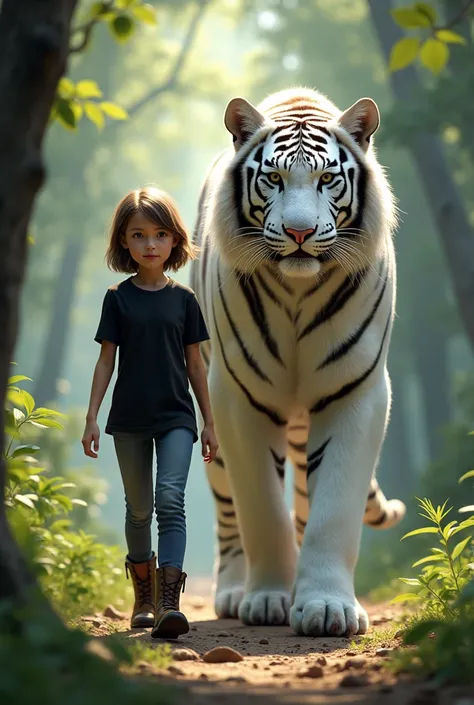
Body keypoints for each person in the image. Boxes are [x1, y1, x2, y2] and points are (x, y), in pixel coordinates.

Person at [81, 186, 218, 639]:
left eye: (160, 234)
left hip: (177, 416)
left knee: (170, 500)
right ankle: (142, 595)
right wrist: (91, 417)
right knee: (139, 510)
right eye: (139, 235)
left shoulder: (185, 301)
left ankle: (167, 604)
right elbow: (106, 362)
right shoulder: (117, 299)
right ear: (124, 241)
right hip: (130, 419)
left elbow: (196, 365)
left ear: (175, 240)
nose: (151, 244)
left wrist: (209, 421)